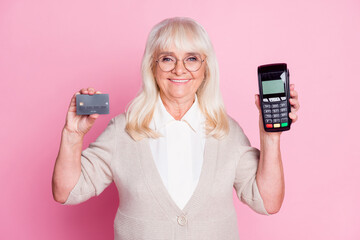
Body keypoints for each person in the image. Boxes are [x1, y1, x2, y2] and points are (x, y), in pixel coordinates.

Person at [52, 17, 300, 240]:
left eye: (192, 58)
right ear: (152, 66)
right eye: (167, 58)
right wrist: (72, 135)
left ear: (206, 68)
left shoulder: (227, 131)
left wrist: (271, 136)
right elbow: (67, 191)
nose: (179, 69)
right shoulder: (123, 130)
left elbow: (268, 202)